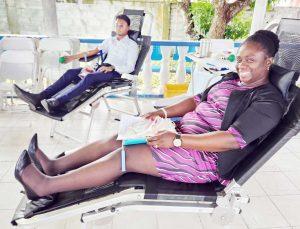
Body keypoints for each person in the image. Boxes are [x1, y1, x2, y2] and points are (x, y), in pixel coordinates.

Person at [15, 30, 286, 200]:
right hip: (180, 133)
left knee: (126, 155)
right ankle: (55, 167)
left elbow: (230, 140)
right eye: (240, 59)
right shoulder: (229, 79)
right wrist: (161, 113)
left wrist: (177, 140)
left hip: (207, 159)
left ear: (269, 61)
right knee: (119, 138)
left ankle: (45, 186)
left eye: (250, 60)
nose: (242, 65)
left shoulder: (268, 101)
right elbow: (195, 100)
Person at [14, 14, 139, 113]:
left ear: (128, 28)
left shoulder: (132, 45)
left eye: (121, 26)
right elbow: (93, 51)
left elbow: (130, 67)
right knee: (71, 73)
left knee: (89, 77)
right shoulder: (110, 41)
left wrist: (112, 67)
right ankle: (39, 97)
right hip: (100, 69)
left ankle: (57, 102)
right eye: (117, 25)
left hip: (114, 73)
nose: (118, 28)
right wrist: (72, 57)